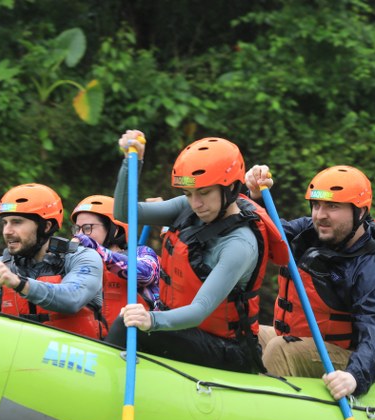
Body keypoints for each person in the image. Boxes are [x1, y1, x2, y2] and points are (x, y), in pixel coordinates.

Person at [104, 130, 289, 373]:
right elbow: (125, 213)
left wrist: (151, 320)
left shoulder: (239, 244)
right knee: (127, 324)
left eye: (204, 193)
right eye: (189, 194)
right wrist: (132, 162)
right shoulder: (189, 208)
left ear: (231, 188)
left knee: (127, 326)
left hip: (229, 350)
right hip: (185, 332)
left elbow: (199, 310)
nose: (196, 203)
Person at [245, 164, 375, 399]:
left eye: (333, 206)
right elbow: (267, 232)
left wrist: (355, 376)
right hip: (306, 342)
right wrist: (256, 196)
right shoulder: (312, 230)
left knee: (279, 350)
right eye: (316, 205)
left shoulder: (371, 264)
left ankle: (265, 415)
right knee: (247, 332)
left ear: (360, 212)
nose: (320, 215)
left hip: (354, 359)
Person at [0, 183, 105, 339]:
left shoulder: (83, 257)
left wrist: (19, 283)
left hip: (78, 359)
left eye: (17, 222)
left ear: (46, 226)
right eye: (5, 223)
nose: (7, 231)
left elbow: (72, 299)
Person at [70, 194, 162, 323]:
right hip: (92, 339)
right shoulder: (78, 262)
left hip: (133, 337)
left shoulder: (142, 253)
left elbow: (146, 274)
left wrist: (96, 248)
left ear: (115, 230)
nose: (79, 235)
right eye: (77, 229)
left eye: (87, 228)